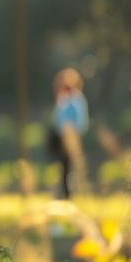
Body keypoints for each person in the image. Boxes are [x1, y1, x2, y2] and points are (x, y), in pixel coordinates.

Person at [47, 68, 89, 199]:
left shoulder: (77, 98)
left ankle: (77, 191)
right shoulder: (62, 98)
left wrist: (75, 132)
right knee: (63, 164)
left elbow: (81, 119)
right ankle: (64, 191)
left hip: (73, 135)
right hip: (62, 135)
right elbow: (57, 118)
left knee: (73, 164)